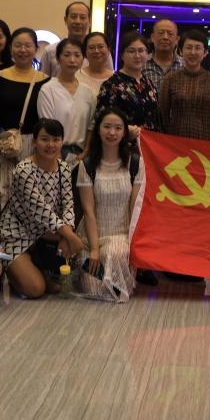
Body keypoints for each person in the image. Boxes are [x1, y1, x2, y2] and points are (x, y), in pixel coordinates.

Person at [0, 119, 84, 298]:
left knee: (51, 283)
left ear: (62, 142)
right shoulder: (24, 170)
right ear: (34, 142)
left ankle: (35, 266)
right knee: (35, 289)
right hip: (15, 235)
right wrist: (70, 236)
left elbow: (68, 205)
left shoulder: (64, 168)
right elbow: (41, 211)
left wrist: (67, 234)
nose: (51, 145)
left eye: (56, 139)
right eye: (44, 139)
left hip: (44, 235)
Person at [76, 107, 144, 302]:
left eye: (118, 128)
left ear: (124, 133)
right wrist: (94, 249)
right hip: (93, 238)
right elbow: (88, 211)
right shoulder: (87, 165)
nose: (112, 132)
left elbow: (135, 209)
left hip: (122, 238)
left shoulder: (135, 163)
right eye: (107, 127)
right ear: (98, 130)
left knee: (113, 253)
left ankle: (122, 274)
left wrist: (134, 245)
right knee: (93, 289)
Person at [0, 28, 49, 210]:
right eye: (18, 45)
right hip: (4, 143)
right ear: (10, 48)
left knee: (30, 194)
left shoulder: (45, 80)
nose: (23, 50)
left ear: (36, 49)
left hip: (32, 145)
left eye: (28, 45)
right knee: (1, 192)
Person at [160, 30, 210, 141]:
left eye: (198, 48)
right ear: (180, 51)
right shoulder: (170, 79)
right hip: (175, 140)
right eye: (188, 47)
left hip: (205, 141)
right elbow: (163, 115)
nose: (193, 52)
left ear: (205, 52)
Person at [37, 38, 95, 166]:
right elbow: (46, 125)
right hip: (54, 153)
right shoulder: (48, 89)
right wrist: (57, 157)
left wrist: (86, 151)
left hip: (81, 155)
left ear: (83, 59)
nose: (72, 60)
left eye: (77, 55)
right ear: (58, 59)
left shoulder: (88, 92)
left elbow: (91, 125)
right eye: (67, 55)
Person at [98, 30, 162, 136]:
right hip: (125, 142)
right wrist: (125, 130)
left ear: (147, 54)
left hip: (151, 142)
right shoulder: (111, 85)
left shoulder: (148, 83)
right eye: (131, 51)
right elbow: (102, 120)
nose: (137, 55)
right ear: (122, 55)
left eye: (141, 51)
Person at [38, 1, 112, 76]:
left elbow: (109, 78)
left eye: (82, 17)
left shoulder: (100, 52)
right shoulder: (51, 51)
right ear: (65, 20)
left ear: (89, 21)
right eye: (73, 17)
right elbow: (42, 80)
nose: (78, 21)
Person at [142, 18, 183, 95]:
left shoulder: (185, 66)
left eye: (170, 34)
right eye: (161, 33)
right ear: (152, 37)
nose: (165, 37)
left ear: (177, 39)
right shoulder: (141, 63)